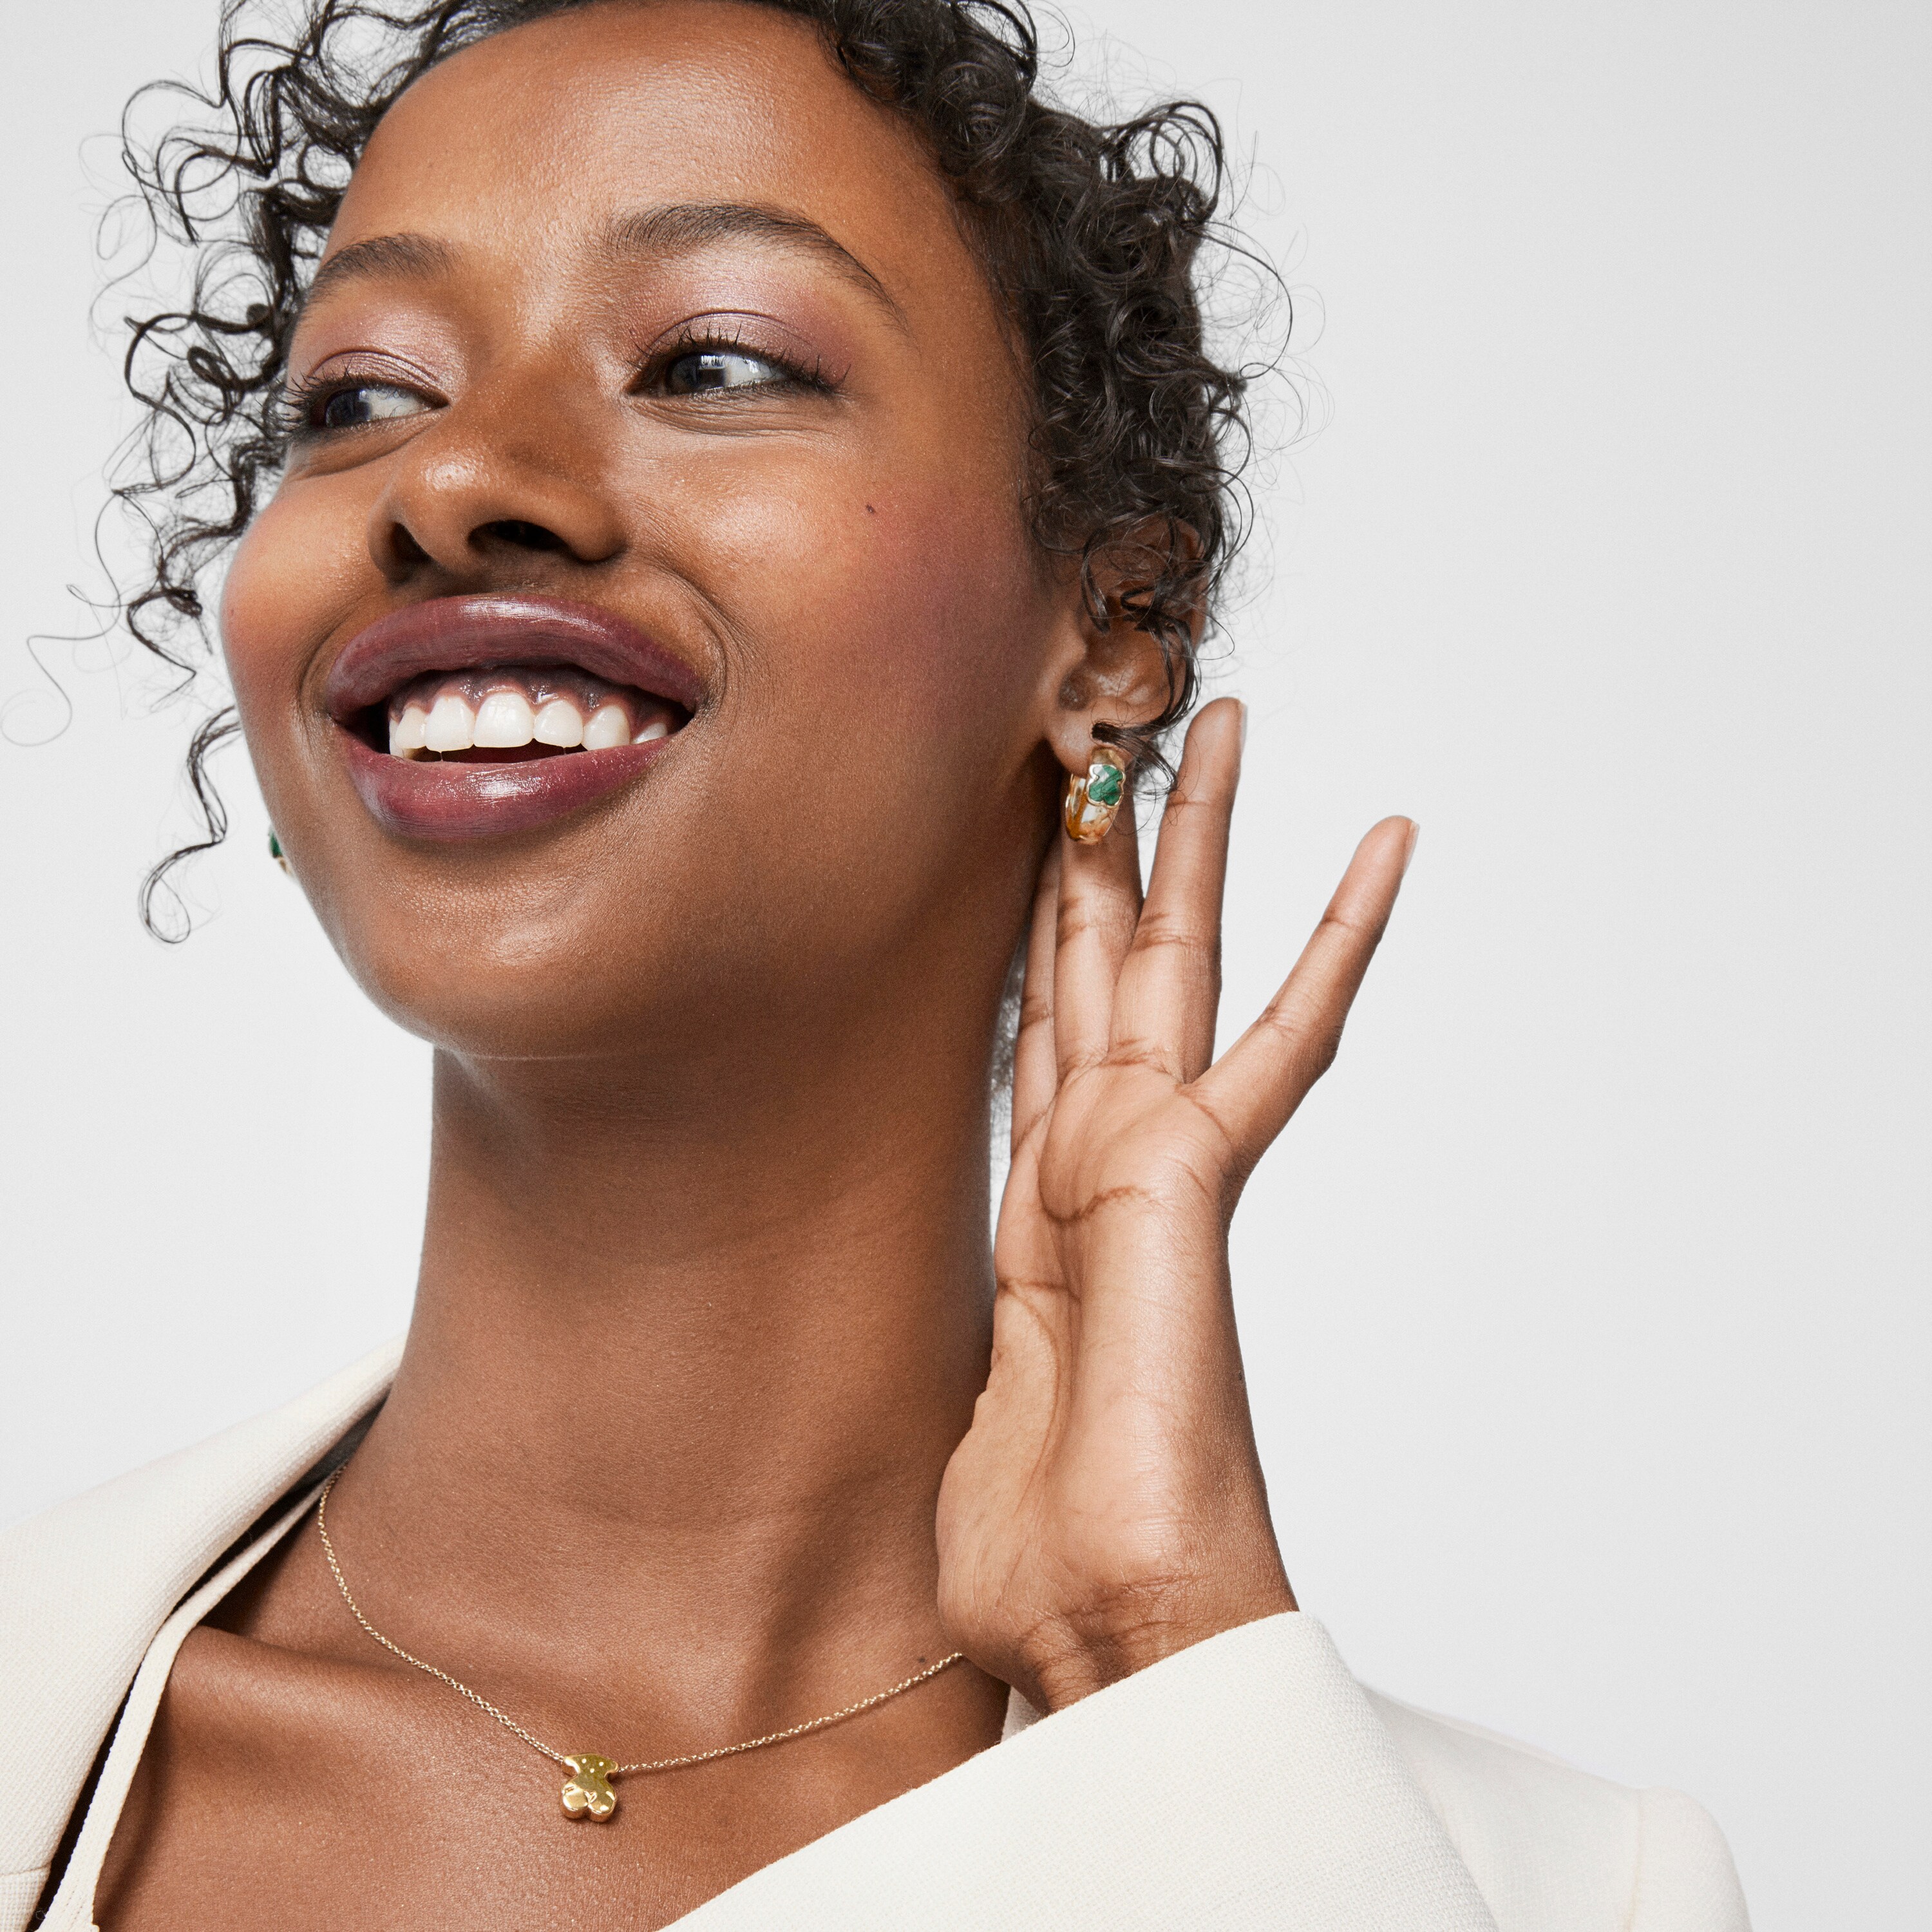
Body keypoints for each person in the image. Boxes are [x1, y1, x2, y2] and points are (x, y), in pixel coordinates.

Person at [0, 2, 1750, 1927]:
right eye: (358, 397)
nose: (454, 477)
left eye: (712, 361)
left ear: (1116, 621)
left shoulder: (1571, 1893)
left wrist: (1162, 1671)